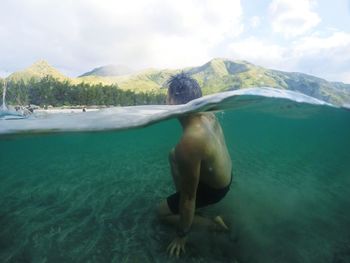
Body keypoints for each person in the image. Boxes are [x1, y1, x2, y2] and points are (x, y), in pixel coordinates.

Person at [157, 73, 233, 258]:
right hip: (226, 177)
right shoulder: (208, 114)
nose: (166, 102)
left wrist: (181, 236)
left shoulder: (191, 140)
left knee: (161, 212)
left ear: (174, 102)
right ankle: (196, 214)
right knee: (173, 155)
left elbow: (189, 199)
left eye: (167, 98)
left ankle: (215, 226)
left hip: (215, 190)